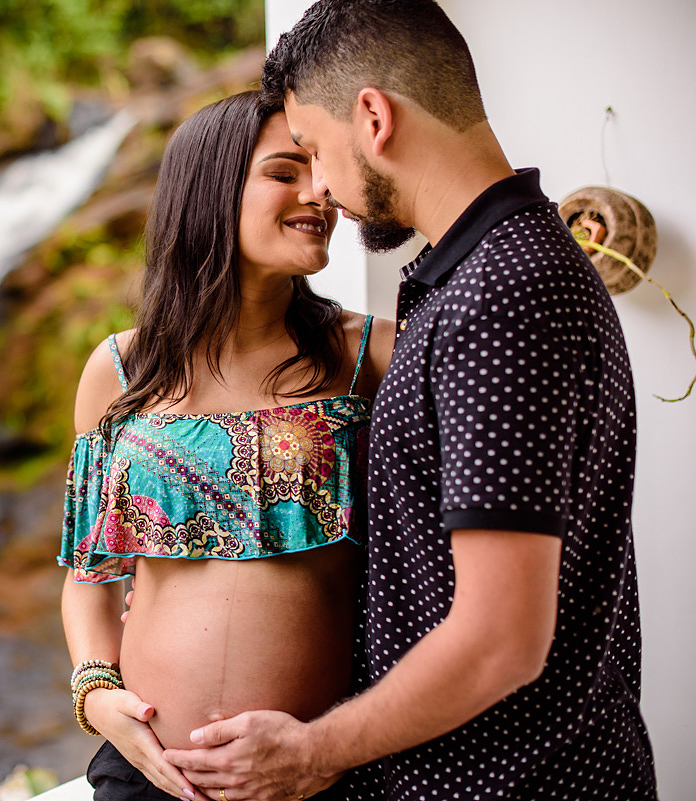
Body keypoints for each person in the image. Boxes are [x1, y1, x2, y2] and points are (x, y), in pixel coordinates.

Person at [162, 2, 658, 800]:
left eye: (314, 149)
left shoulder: (501, 294)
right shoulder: (478, 278)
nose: (322, 187)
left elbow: (500, 638)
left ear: (374, 117)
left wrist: (313, 751)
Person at [59, 90, 394, 801]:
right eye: (283, 172)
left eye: (319, 170)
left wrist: (341, 747)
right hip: (148, 777)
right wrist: (97, 694)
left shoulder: (369, 355)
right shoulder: (119, 371)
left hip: (317, 778)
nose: (319, 191)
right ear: (210, 192)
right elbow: (91, 575)